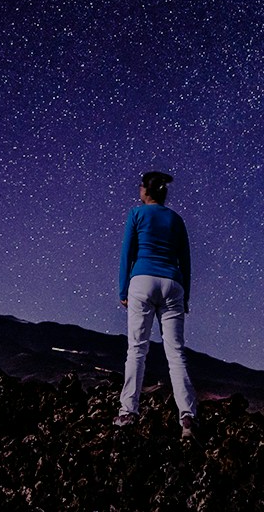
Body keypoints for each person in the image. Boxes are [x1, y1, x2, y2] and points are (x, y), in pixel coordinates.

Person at [115, 170, 196, 438]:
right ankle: (187, 416)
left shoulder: (137, 214)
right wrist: (184, 296)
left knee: (137, 349)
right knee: (176, 353)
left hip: (143, 280)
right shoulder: (176, 219)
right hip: (173, 283)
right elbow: (185, 260)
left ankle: (128, 412)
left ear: (145, 191)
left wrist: (123, 289)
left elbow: (128, 253)